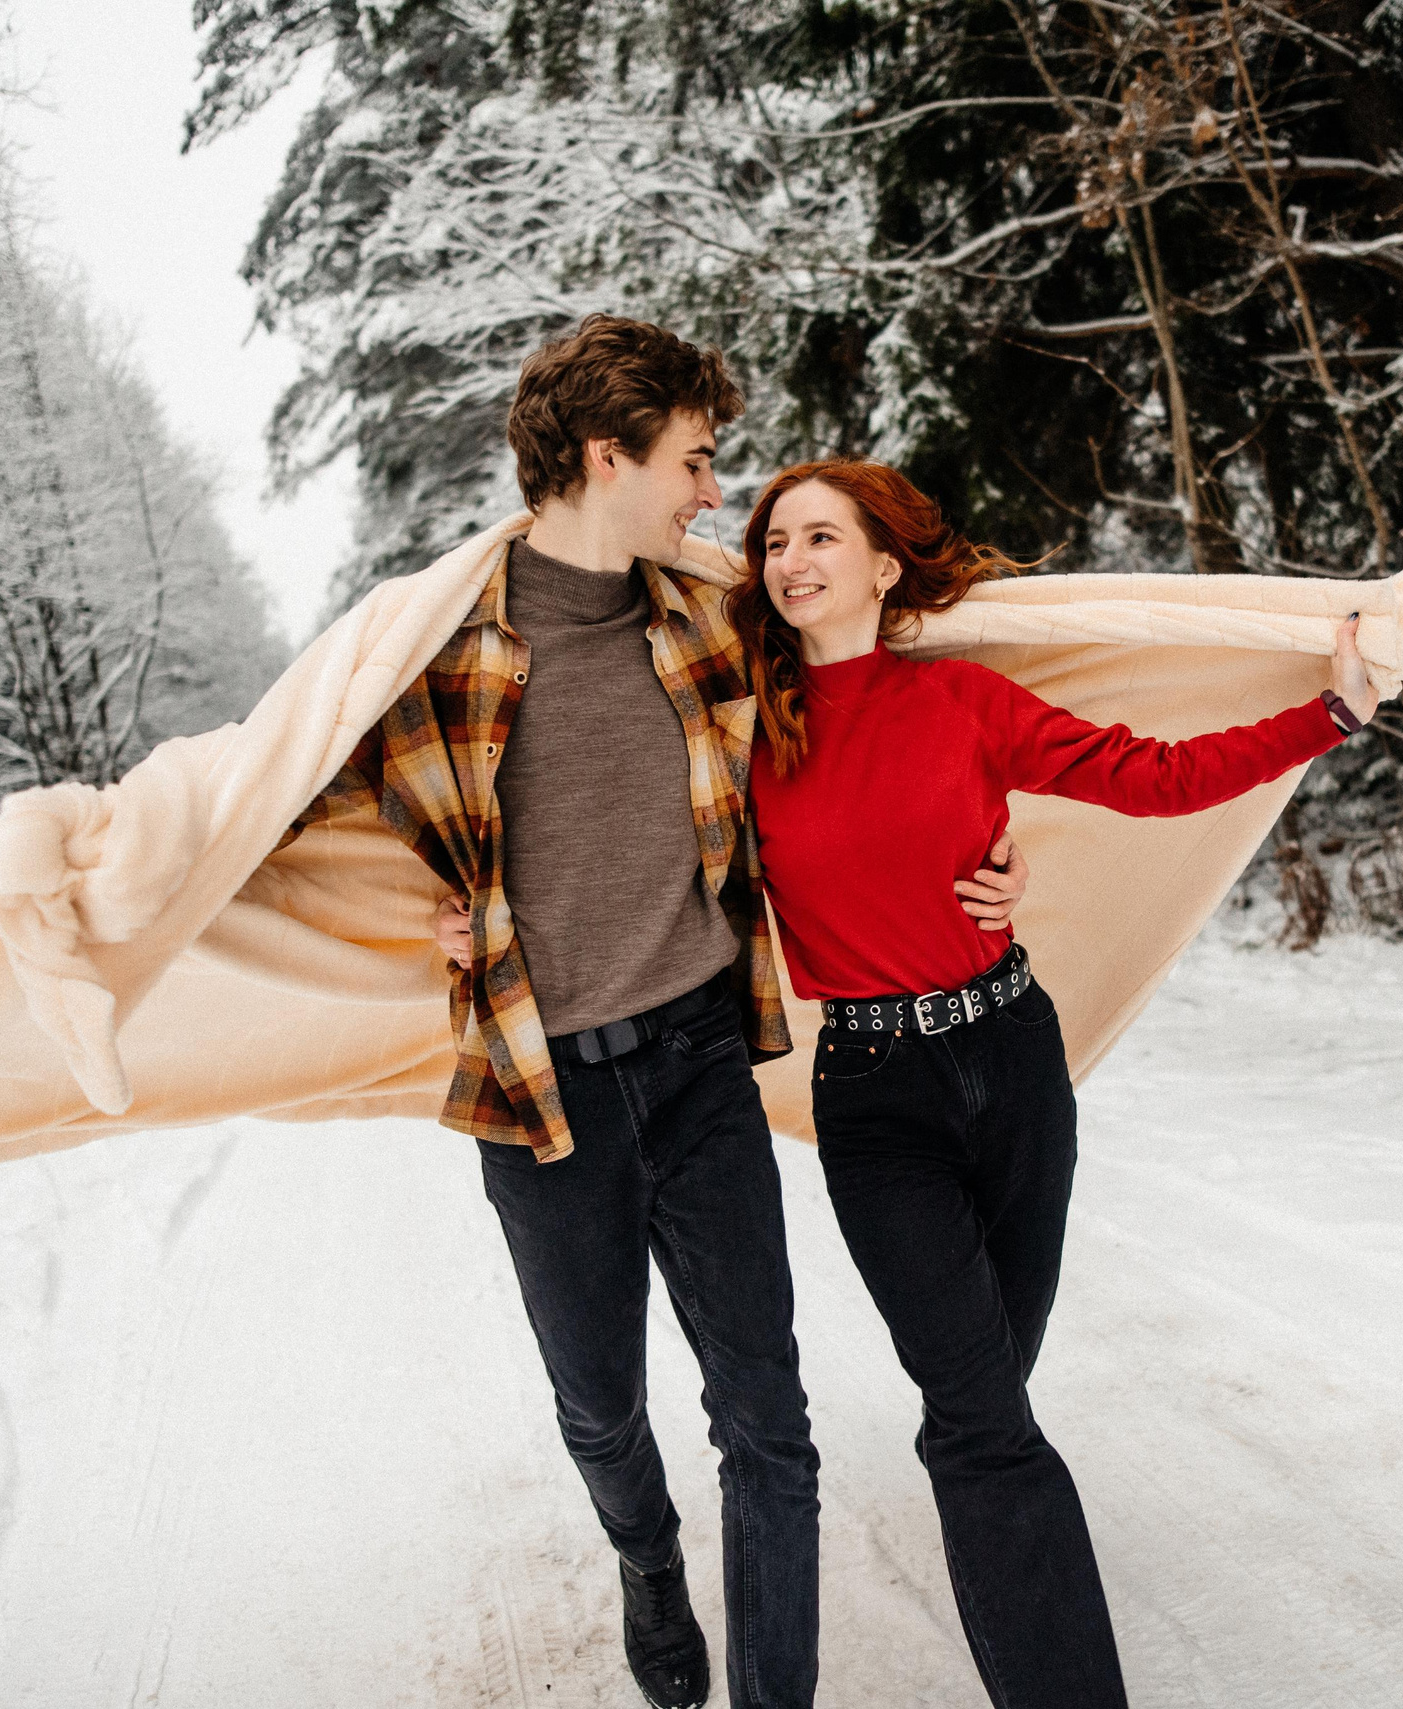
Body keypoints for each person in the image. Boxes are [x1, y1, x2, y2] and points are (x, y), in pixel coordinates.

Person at [300, 321, 1027, 1709]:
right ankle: (646, 1559)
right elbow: (283, 818)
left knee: (771, 1419)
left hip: (699, 1063)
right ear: (606, 454)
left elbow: (890, 689)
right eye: (693, 461)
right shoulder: (434, 647)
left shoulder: (706, 618)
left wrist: (992, 832)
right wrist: (425, 908)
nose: (712, 493)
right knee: (601, 1407)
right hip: (539, 1094)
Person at [722, 459, 1375, 1709]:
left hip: (1015, 1063)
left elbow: (1155, 778)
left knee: (986, 1394)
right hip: (874, 1097)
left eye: (819, 536)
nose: (790, 559)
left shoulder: (965, 699)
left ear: (883, 563)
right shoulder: (750, 734)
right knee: (980, 1422)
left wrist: (1328, 716)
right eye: (772, 542)